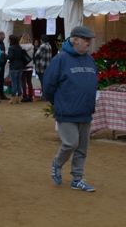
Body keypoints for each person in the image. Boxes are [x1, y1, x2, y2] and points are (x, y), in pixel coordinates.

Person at [43, 25, 99, 192]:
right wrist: (58, 103)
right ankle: (57, 163)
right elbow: (48, 85)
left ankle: (77, 179)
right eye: (86, 40)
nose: (89, 43)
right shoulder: (60, 59)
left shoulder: (90, 59)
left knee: (82, 147)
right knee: (70, 143)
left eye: (90, 40)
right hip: (66, 110)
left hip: (85, 110)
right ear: (76, 40)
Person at [6, 34, 26, 104]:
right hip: (20, 66)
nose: (8, 40)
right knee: (18, 82)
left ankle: (13, 97)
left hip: (14, 66)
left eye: (9, 39)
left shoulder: (11, 48)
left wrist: (4, 55)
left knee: (14, 82)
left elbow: (10, 57)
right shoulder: (19, 47)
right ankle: (20, 96)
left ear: (11, 40)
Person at [33, 34, 52, 100]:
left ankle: (44, 95)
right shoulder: (49, 46)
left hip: (41, 66)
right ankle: (46, 95)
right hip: (47, 65)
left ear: (42, 40)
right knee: (46, 81)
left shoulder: (42, 46)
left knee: (43, 82)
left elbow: (37, 54)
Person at [20, 33, 36, 102]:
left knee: (23, 81)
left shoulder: (20, 46)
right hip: (30, 64)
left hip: (23, 65)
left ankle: (24, 96)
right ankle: (30, 95)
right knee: (29, 81)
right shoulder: (31, 46)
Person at [0, 31, 9, 100]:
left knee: (1, 79)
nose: (5, 37)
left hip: (2, 63)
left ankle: (1, 93)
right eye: (3, 36)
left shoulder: (2, 43)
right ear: (0, 36)